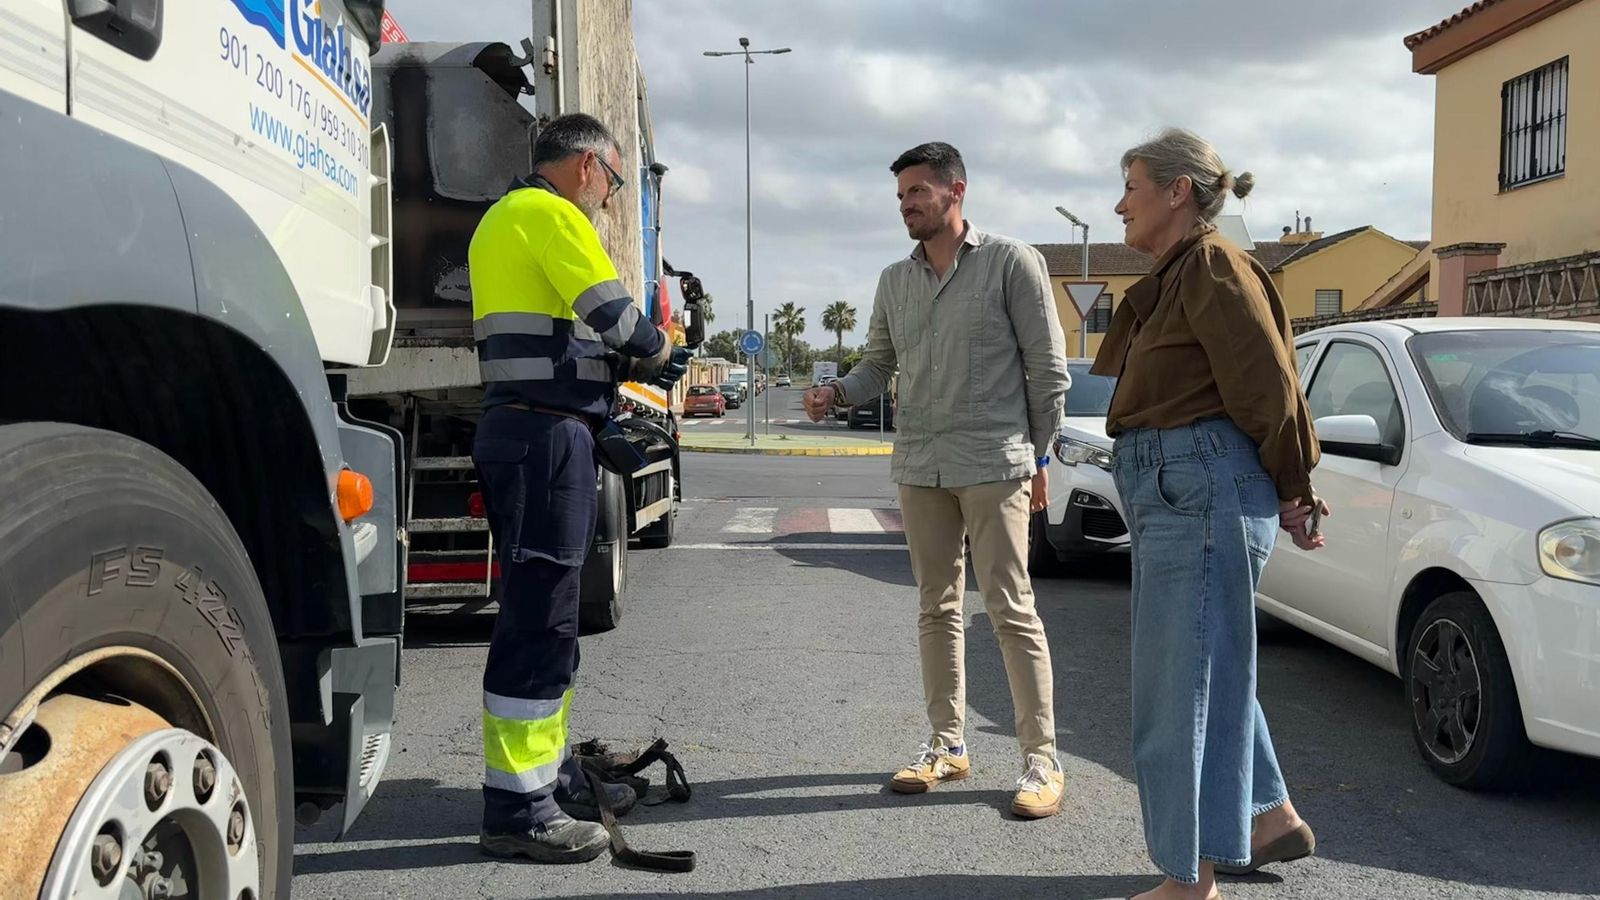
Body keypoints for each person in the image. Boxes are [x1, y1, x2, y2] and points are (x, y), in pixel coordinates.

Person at [1090, 127, 1329, 899]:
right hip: (1187, 490)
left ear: (1177, 190)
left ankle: (1191, 883)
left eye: (1131, 187)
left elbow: (1270, 385)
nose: (1119, 205)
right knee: (1208, 669)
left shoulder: (1213, 265)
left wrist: (1294, 485)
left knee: (1178, 690)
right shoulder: (1185, 271)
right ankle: (1267, 817)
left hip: (1198, 490)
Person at [804, 142, 1071, 818]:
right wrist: (837, 392)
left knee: (1010, 608)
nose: (906, 205)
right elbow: (878, 364)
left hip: (994, 462)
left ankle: (1042, 759)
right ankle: (947, 744)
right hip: (921, 465)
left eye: (917, 191)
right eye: (901, 196)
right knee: (936, 606)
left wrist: (1039, 459)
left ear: (957, 190)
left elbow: (1048, 371)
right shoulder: (896, 280)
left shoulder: (1012, 262)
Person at [468, 113, 690, 864]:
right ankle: (517, 808)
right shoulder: (551, 214)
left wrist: (617, 368)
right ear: (588, 167)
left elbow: (567, 339)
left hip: (533, 430)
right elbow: (618, 318)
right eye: (613, 182)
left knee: (552, 617)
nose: (609, 198)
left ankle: (551, 778)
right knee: (540, 621)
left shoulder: (506, 220)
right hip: (544, 438)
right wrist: (660, 349)